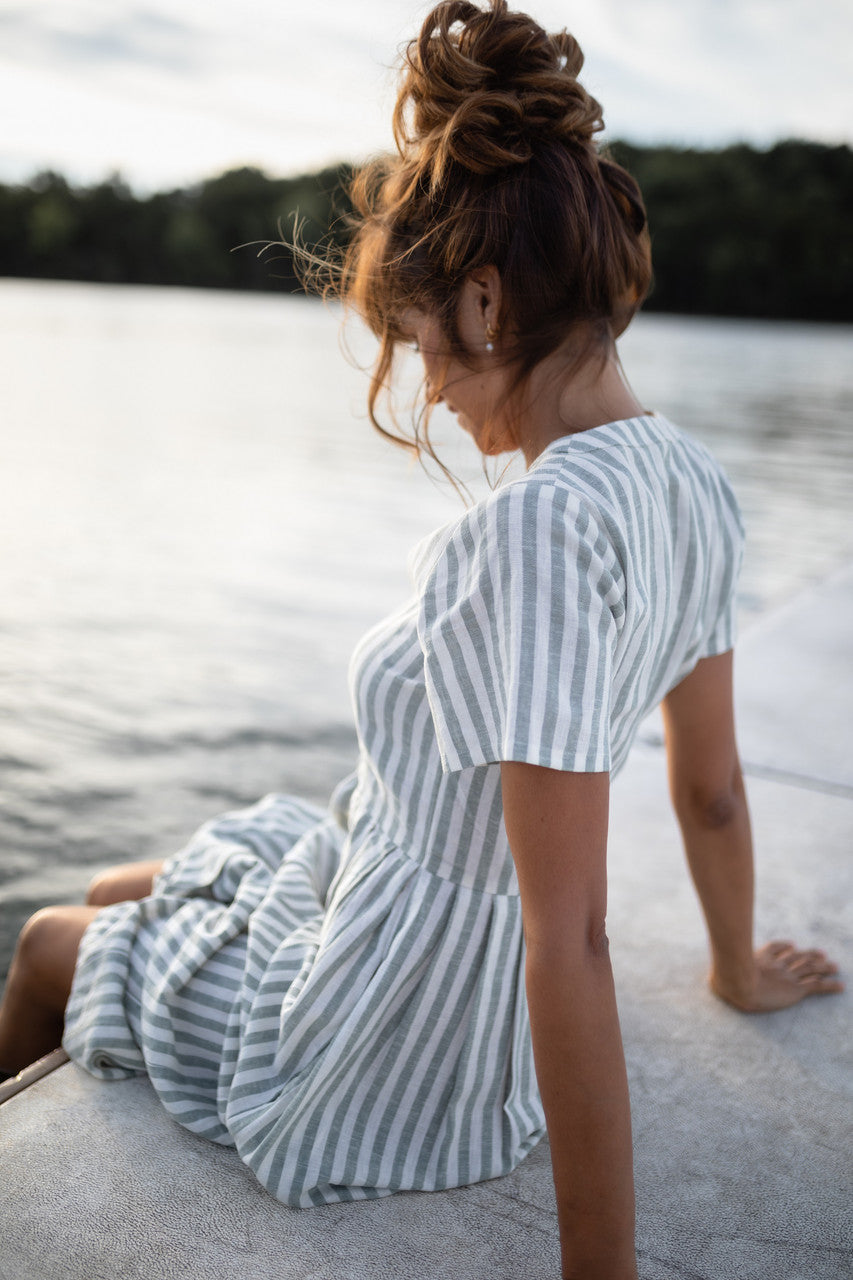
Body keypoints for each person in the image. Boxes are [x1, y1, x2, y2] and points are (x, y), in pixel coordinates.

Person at [0, 2, 842, 1276]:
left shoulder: (535, 534)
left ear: (489, 300)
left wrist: (598, 1269)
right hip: (384, 876)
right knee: (136, 881)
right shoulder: (694, 484)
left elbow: (572, 938)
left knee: (49, 941)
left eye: (423, 344)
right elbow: (713, 790)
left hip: (394, 1018)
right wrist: (732, 968)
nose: (432, 392)